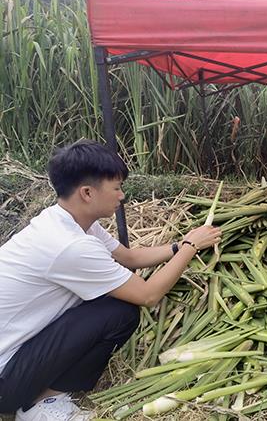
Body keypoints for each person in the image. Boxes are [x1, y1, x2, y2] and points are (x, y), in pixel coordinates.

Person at [0, 140, 222, 421]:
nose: (122, 196)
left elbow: (128, 257)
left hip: (13, 353)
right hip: (4, 381)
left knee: (111, 303)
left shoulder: (68, 221)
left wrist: (179, 245)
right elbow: (148, 295)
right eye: (116, 188)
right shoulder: (70, 245)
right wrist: (192, 247)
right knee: (120, 313)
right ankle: (39, 405)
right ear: (87, 193)